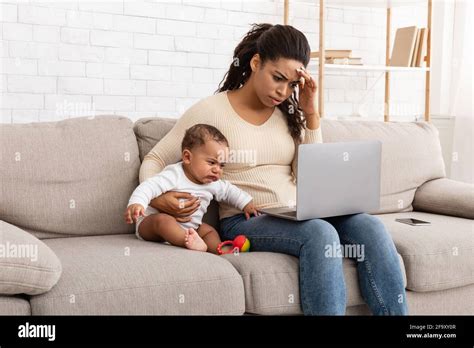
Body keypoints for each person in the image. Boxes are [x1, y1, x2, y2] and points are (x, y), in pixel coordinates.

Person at [138, 23, 408, 315]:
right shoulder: (210, 111)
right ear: (256, 63)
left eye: (292, 84)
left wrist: (310, 113)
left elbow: (310, 177)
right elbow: (154, 158)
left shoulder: (289, 116)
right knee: (320, 233)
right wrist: (155, 199)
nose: (283, 91)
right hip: (247, 218)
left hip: (298, 211)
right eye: (277, 78)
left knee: (371, 226)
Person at [124, 124, 259, 254]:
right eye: (211, 162)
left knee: (209, 230)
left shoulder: (213, 182)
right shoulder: (174, 174)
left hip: (191, 228)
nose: (217, 170)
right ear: (188, 157)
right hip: (151, 227)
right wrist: (137, 203)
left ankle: (219, 249)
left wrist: (245, 203)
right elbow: (149, 186)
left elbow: (229, 191)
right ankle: (187, 242)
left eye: (221, 165)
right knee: (163, 220)